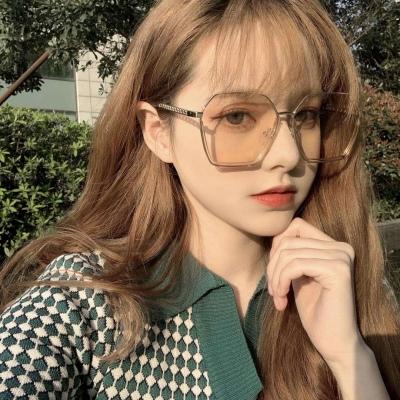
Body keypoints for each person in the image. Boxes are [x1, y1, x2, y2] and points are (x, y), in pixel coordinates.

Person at [0, 0, 399, 399]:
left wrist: (351, 357)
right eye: (237, 117)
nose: (289, 154)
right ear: (157, 131)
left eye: (306, 115)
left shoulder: (341, 279)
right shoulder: (81, 305)